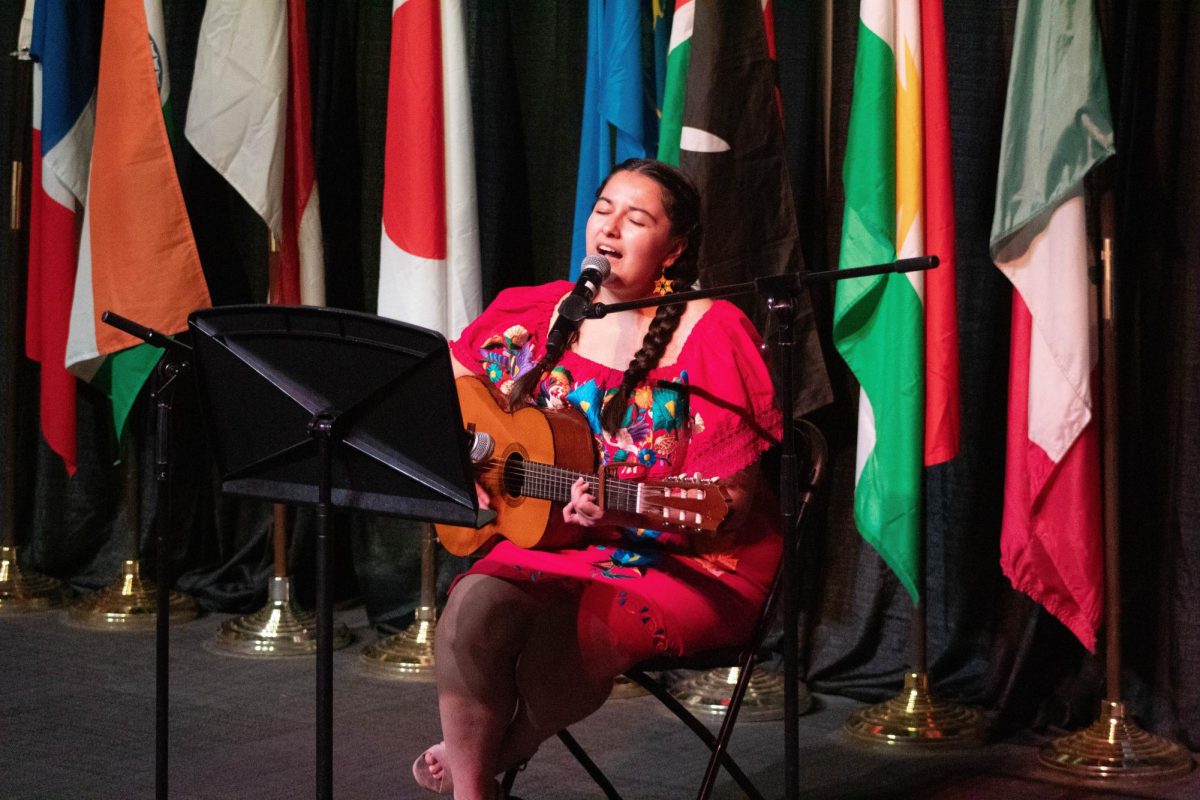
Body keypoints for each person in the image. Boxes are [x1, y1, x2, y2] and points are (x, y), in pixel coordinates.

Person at [413, 159, 783, 799]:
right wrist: (458, 464)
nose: (610, 228)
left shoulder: (713, 333)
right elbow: (444, 382)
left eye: (636, 219)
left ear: (675, 248)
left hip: (689, 559)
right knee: (469, 609)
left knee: (578, 626)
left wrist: (623, 514)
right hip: (557, 541)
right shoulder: (535, 313)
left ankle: (496, 749)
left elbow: (731, 506)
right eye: (603, 208)